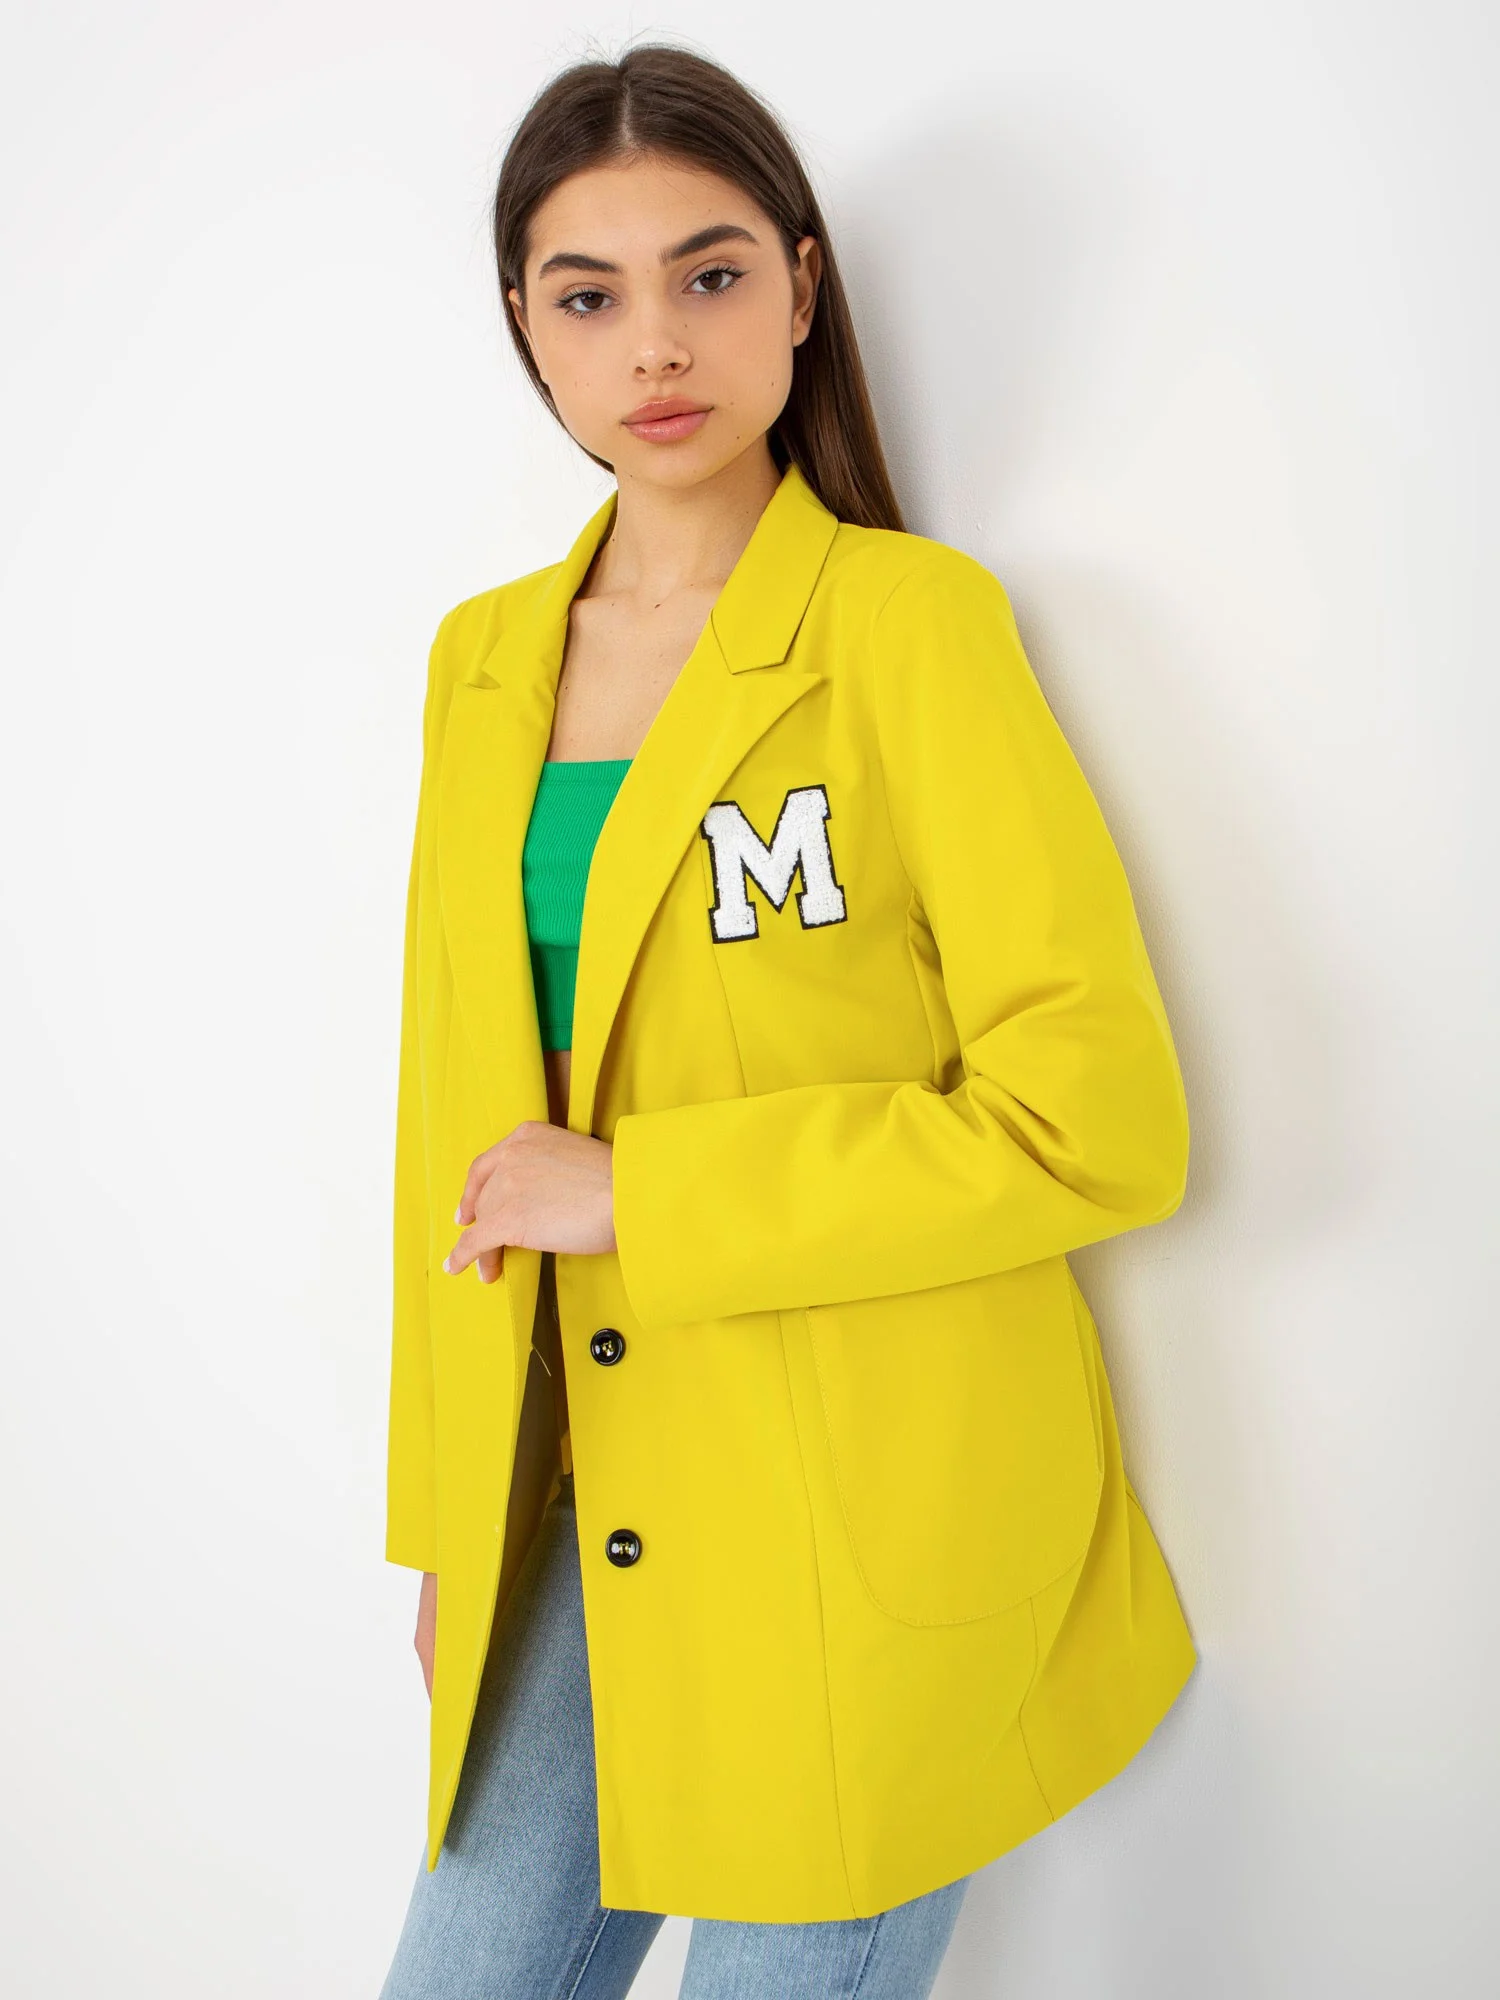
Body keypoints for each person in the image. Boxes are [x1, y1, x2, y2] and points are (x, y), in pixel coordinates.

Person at [378, 41, 1196, 2000]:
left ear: (803, 288)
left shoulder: (912, 629)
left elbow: (1093, 1115)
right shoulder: (481, 663)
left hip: (867, 1504)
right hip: (585, 1506)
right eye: (590, 295)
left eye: (713, 273)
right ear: (527, 329)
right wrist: (447, 1522)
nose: (658, 342)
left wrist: (641, 1191)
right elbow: (448, 1122)